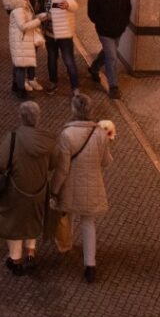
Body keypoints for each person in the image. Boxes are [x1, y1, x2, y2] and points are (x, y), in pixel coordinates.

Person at [50, 93, 114, 283]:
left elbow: (62, 169)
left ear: (74, 110)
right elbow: (105, 161)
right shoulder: (100, 134)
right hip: (92, 185)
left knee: (65, 216)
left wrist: (54, 189)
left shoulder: (66, 135)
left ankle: (65, 245)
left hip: (69, 186)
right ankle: (90, 265)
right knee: (88, 223)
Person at [0, 101, 58, 276]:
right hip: (39, 190)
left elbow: (1, 163)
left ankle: (15, 259)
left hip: (16, 190)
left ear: (21, 117)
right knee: (32, 221)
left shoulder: (13, 138)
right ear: (38, 118)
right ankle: (31, 253)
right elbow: (53, 164)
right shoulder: (48, 140)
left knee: (15, 223)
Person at [86, 0, 131, 99]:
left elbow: (127, 8)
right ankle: (113, 86)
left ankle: (94, 67)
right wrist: (102, 24)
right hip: (105, 32)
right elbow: (92, 13)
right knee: (112, 57)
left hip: (118, 30)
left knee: (107, 52)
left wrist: (123, 24)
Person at [3, 0, 49, 97]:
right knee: (21, 66)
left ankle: (16, 86)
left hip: (21, 39)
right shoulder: (19, 8)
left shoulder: (23, 4)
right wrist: (39, 21)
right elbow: (23, 26)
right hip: (21, 40)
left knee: (18, 64)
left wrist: (36, 17)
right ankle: (20, 90)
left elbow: (28, 20)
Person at [45, 0, 80, 95]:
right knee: (51, 60)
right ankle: (53, 83)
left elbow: (74, 6)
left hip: (64, 34)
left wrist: (68, 6)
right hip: (50, 34)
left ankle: (75, 87)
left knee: (69, 61)